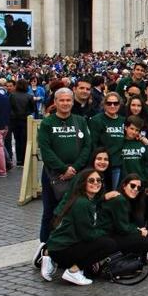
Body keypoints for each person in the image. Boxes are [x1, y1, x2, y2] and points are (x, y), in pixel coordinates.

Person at [42, 169, 118, 285]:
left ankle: (49, 256)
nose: (96, 183)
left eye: (99, 180)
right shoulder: (83, 203)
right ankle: (73, 271)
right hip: (62, 249)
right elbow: (87, 235)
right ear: (83, 183)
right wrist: (104, 231)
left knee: (101, 245)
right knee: (109, 244)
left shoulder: (83, 199)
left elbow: (96, 201)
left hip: (59, 246)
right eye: (91, 180)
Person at [37, 88, 92, 245]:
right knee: (49, 211)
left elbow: (87, 146)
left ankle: (70, 244)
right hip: (53, 175)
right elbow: (46, 151)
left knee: (74, 210)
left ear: (72, 102)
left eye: (68, 100)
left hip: (76, 174)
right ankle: (45, 246)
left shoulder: (80, 121)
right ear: (55, 102)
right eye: (62, 100)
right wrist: (63, 169)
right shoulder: (47, 123)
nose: (65, 103)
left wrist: (74, 168)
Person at [103, 174, 148, 262]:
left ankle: (143, 255)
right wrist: (139, 230)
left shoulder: (129, 201)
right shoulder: (119, 200)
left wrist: (139, 229)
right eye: (132, 186)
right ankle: (144, 256)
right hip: (109, 237)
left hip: (115, 235)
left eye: (138, 188)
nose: (135, 189)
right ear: (124, 186)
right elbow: (122, 228)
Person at [89, 92, 126, 189]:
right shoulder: (96, 120)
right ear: (104, 105)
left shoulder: (123, 120)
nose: (112, 106)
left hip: (118, 165)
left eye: (115, 103)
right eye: (109, 103)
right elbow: (93, 143)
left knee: (114, 194)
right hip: (103, 165)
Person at [8, 79, 35, 167]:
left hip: (15, 120)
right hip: (25, 120)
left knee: (17, 140)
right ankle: (25, 159)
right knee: (25, 140)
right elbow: (33, 109)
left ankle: (19, 160)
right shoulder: (29, 96)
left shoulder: (12, 95)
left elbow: (9, 107)